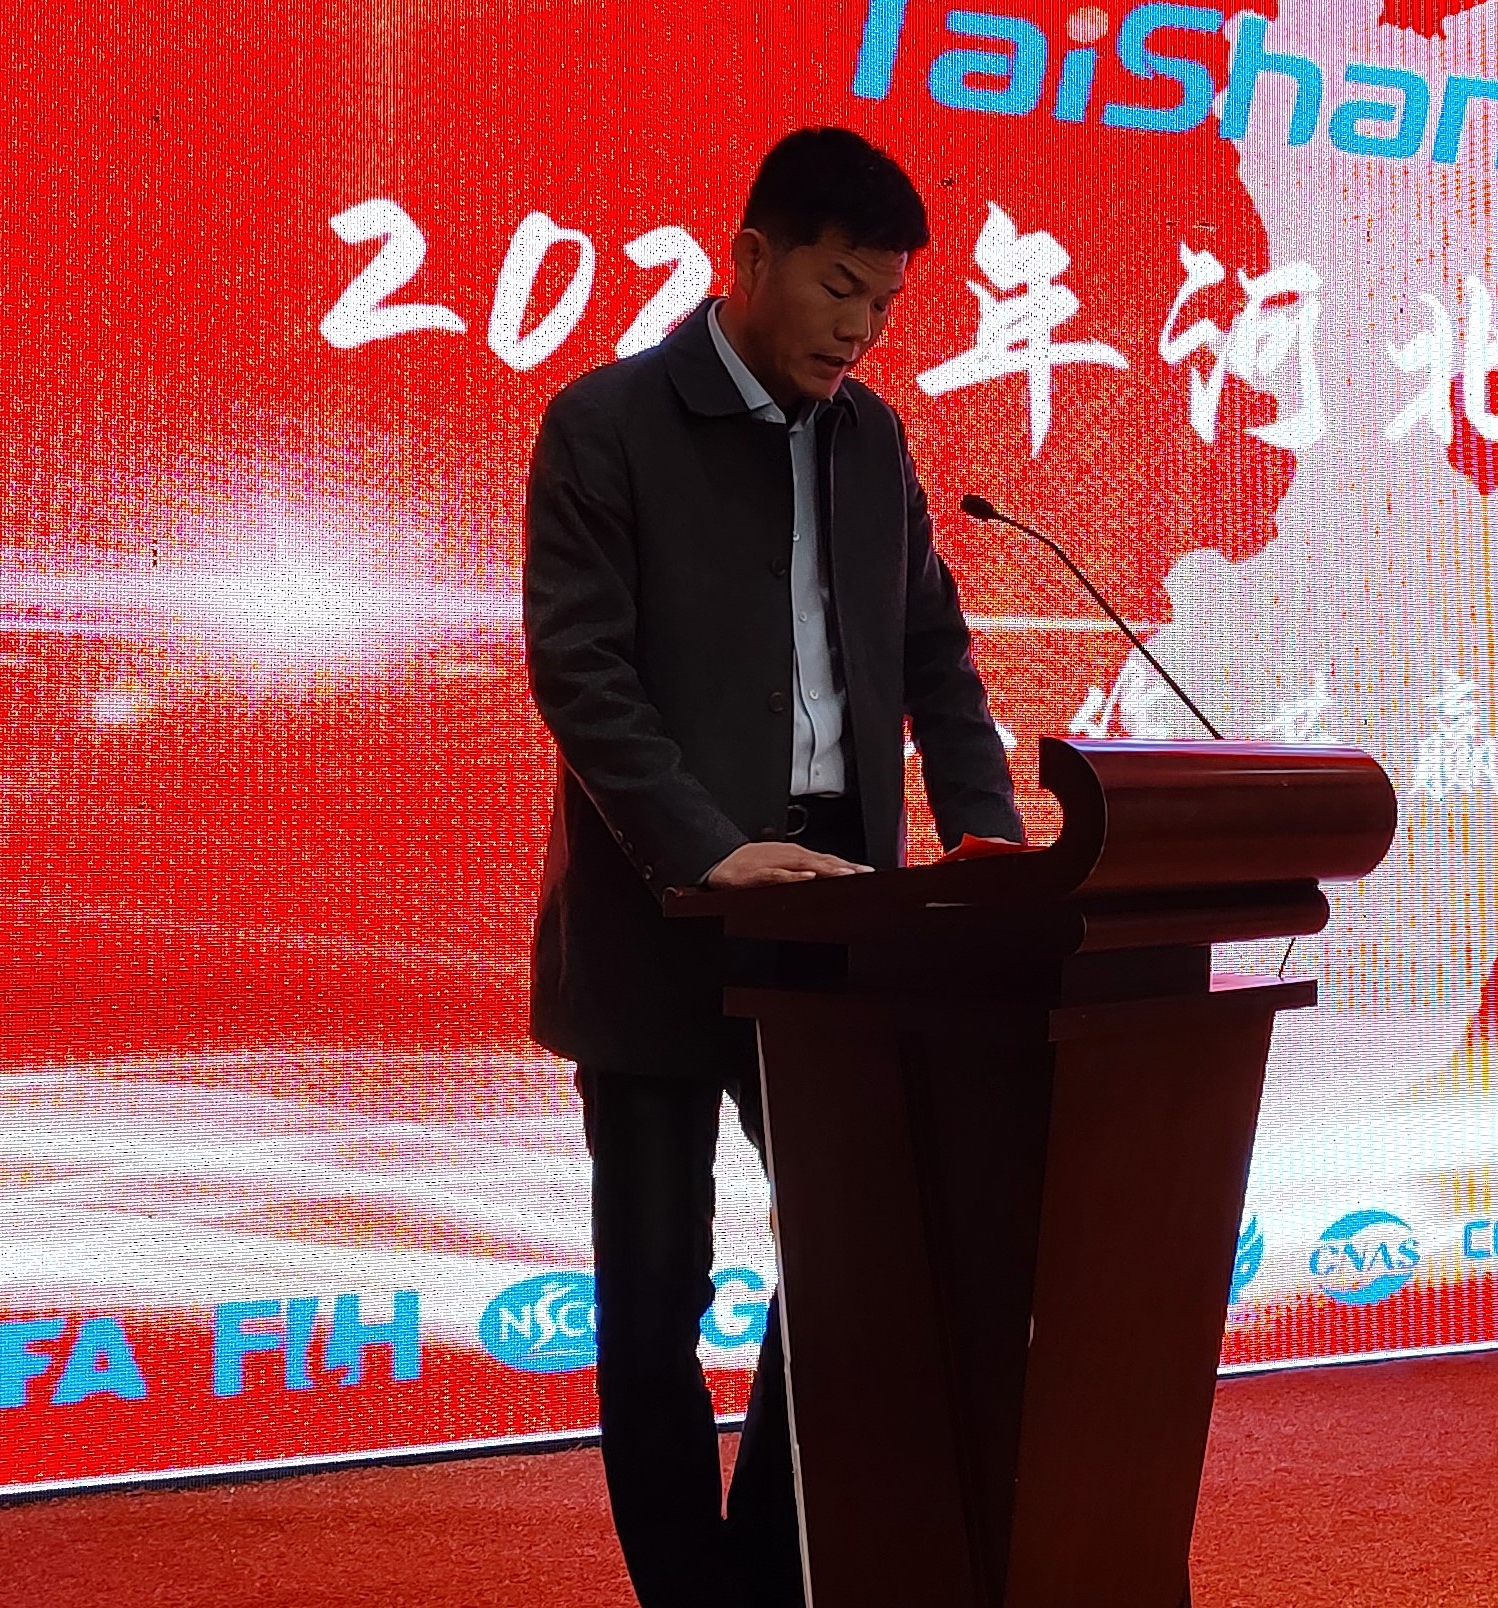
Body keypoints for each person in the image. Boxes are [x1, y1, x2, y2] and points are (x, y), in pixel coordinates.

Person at [520, 127, 1025, 1608]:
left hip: (841, 919)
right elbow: (581, 672)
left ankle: (765, 1568)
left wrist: (987, 833)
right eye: (840, 289)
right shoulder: (606, 424)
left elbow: (934, 653)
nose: (863, 330)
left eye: (886, 304)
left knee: (859, 1259)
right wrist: (708, 848)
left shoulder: (875, 443)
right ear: (751, 258)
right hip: (661, 914)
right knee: (654, 1296)